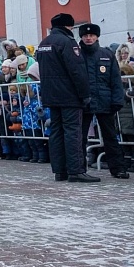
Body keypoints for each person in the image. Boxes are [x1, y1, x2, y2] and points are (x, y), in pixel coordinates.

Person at [35, 13, 95, 182]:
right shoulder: (68, 42)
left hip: (51, 95)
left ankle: (60, 171)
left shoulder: (44, 43)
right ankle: (76, 171)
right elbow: (76, 70)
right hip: (69, 96)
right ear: (69, 26)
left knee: (56, 132)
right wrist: (84, 94)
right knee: (72, 132)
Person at [77, 23, 130, 179]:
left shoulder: (106, 54)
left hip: (105, 101)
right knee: (81, 137)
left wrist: (117, 100)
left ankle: (118, 168)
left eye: (91, 35)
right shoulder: (76, 55)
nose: (88, 38)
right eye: (85, 36)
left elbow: (115, 79)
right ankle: (79, 169)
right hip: (83, 102)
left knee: (110, 136)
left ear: (97, 37)